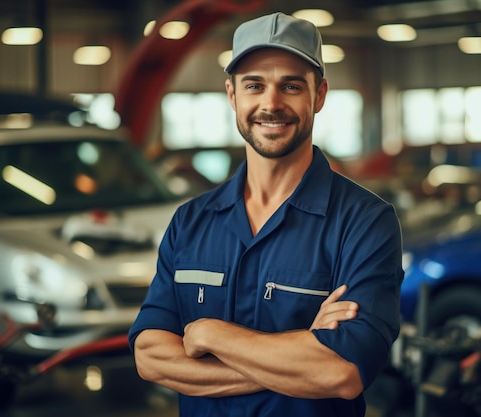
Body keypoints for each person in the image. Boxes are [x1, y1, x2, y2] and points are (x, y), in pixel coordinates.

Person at [128, 11, 404, 417]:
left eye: (290, 86)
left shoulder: (364, 223)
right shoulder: (190, 222)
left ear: (320, 95)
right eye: (254, 85)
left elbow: (341, 372)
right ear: (232, 95)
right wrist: (298, 354)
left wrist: (210, 334)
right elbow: (150, 356)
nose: (271, 104)